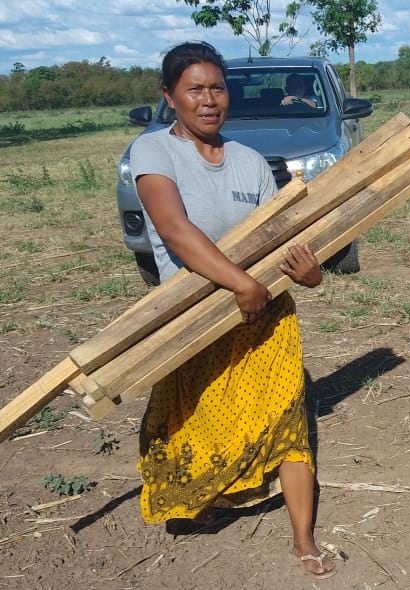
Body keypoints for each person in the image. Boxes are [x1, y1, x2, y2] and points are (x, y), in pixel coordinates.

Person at [129, 41, 335, 581]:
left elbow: (280, 241)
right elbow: (175, 230)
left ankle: (303, 537)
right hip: (194, 319)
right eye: (194, 89)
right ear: (169, 97)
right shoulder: (153, 151)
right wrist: (239, 282)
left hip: (265, 316)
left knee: (289, 422)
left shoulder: (250, 163)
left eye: (217, 87)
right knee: (188, 424)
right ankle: (203, 501)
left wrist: (310, 273)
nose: (208, 99)